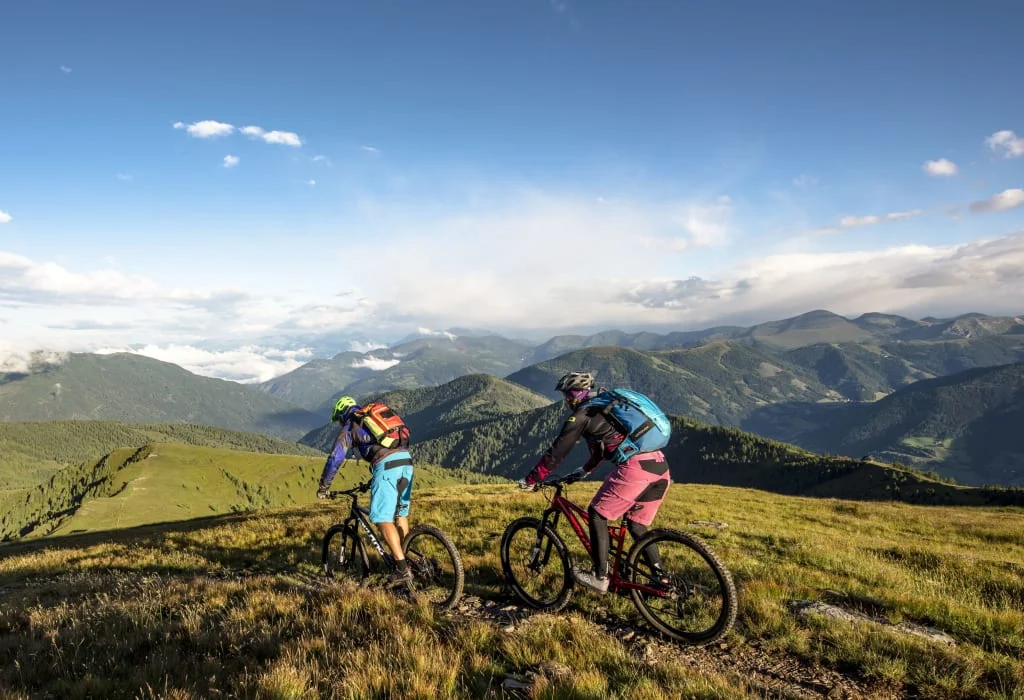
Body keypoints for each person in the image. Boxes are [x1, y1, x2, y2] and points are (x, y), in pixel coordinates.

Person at [518, 371, 670, 593]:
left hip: (636, 468)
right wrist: (583, 471)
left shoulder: (581, 415)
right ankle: (662, 579)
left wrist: (532, 479)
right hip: (659, 466)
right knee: (636, 524)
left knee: (597, 513)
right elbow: (601, 449)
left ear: (573, 395)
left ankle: (600, 577)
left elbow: (557, 452)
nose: (566, 400)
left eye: (566, 395)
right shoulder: (604, 409)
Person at [317, 395, 415, 586]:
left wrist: (324, 486)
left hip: (386, 466)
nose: (339, 423)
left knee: (381, 518)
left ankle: (402, 570)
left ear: (342, 414)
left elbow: (335, 458)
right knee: (400, 514)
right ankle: (406, 559)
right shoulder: (371, 415)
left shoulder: (351, 425)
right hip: (406, 460)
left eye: (338, 419)